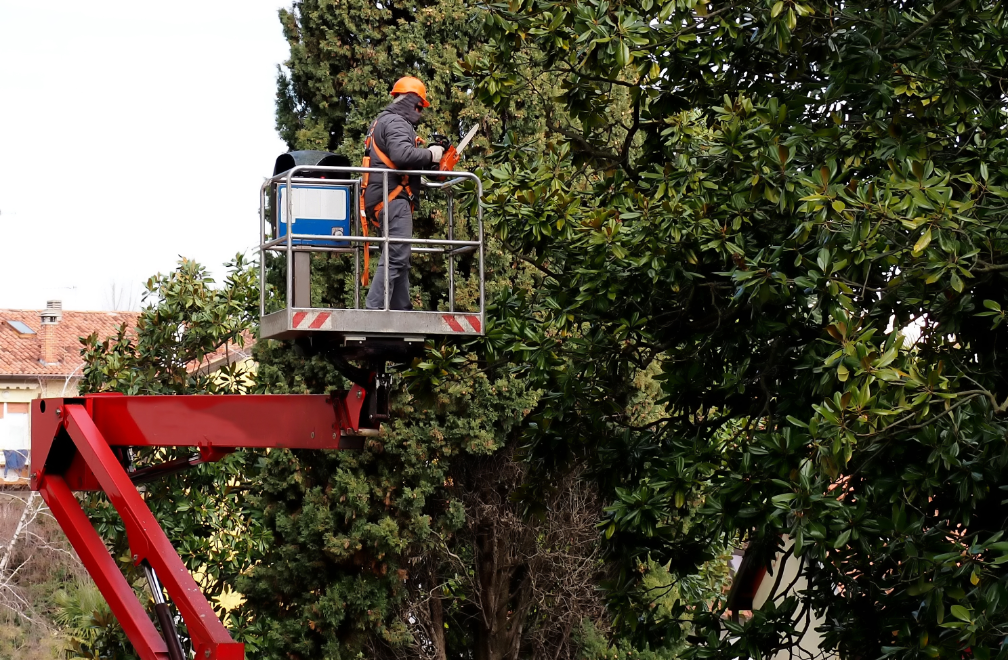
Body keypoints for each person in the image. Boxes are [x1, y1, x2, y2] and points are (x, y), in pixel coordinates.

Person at [362, 76, 444, 310]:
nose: (419, 112)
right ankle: (375, 310)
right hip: (393, 198)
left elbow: (400, 159)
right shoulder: (397, 123)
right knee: (397, 255)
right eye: (419, 106)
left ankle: (401, 308)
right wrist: (431, 155)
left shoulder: (383, 122)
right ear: (411, 100)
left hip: (383, 197)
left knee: (400, 256)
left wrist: (431, 162)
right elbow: (401, 155)